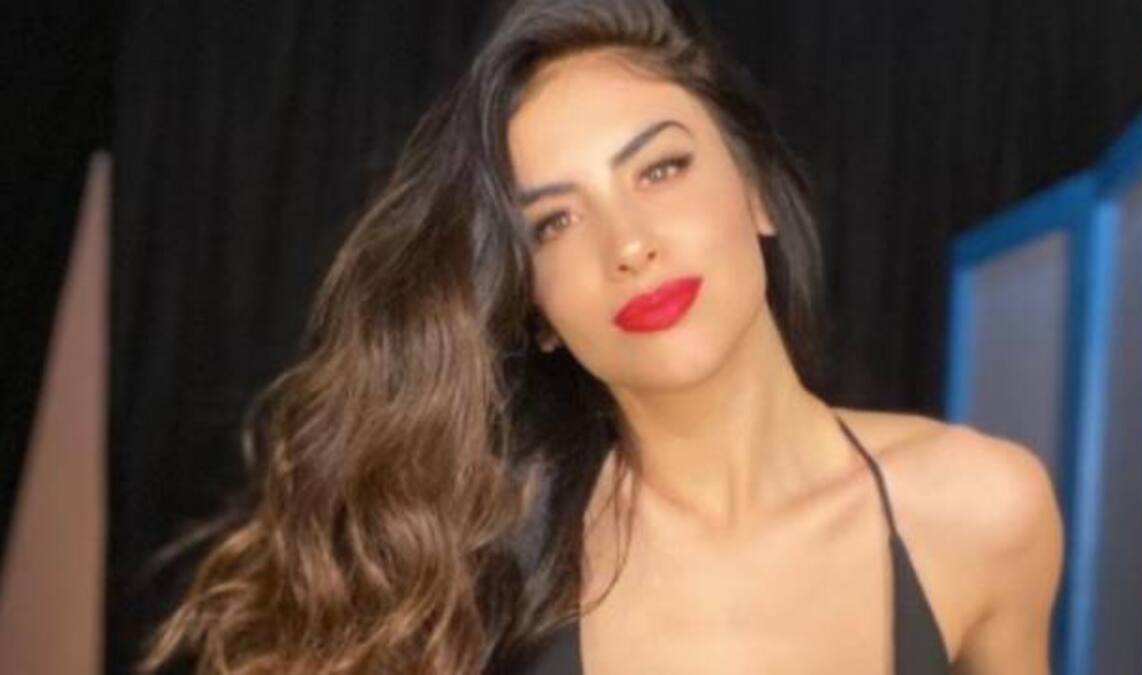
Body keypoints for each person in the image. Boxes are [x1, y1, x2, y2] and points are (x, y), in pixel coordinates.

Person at [141, 0, 1064, 673]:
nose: (628, 244)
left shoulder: (984, 507)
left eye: (660, 169)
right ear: (535, 310)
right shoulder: (480, 566)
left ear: (755, 194)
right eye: (554, 222)